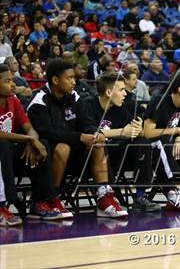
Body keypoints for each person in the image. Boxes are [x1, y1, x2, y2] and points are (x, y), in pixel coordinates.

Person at [27, 59, 128, 218]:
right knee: (63, 147)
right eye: (69, 78)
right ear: (55, 80)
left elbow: (86, 121)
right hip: (48, 157)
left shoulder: (74, 96)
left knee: (97, 142)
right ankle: (53, 197)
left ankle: (104, 198)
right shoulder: (39, 100)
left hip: (76, 156)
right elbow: (47, 132)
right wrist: (80, 137)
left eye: (74, 78)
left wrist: (94, 133)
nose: (74, 82)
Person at [81, 72, 160, 212]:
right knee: (100, 145)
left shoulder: (122, 106)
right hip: (92, 158)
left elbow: (133, 129)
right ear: (108, 91)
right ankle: (110, 196)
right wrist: (122, 132)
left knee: (142, 142)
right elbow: (91, 135)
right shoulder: (88, 104)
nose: (125, 94)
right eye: (121, 90)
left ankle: (140, 196)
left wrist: (137, 127)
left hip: (118, 154)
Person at [0, 64, 60, 225]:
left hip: (10, 158)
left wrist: (32, 141)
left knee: (43, 144)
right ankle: (3, 206)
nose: (13, 84)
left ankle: (39, 202)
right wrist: (28, 139)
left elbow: (30, 129)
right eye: (7, 81)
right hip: (1, 155)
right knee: (3, 145)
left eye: (12, 80)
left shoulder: (13, 100)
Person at [143, 71, 180, 210]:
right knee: (161, 142)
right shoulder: (159, 100)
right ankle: (172, 192)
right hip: (149, 146)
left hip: (170, 146)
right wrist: (177, 131)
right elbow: (148, 133)